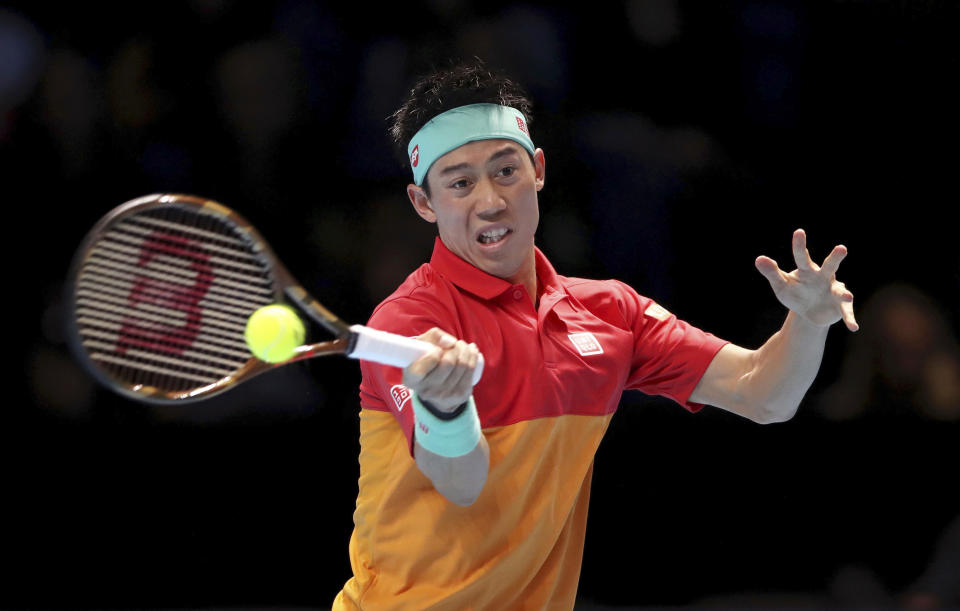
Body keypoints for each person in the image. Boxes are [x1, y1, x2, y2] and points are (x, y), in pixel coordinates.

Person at [332, 61, 858, 610]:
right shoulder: (411, 323)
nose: (489, 201)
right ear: (424, 204)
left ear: (537, 169)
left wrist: (809, 321)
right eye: (460, 183)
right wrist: (445, 407)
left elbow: (765, 395)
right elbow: (462, 484)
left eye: (505, 171)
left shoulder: (610, 312)